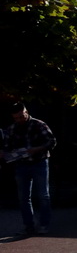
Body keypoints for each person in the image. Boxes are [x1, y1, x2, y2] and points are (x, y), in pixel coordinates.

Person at [3, 101, 57, 236]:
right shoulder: (12, 128)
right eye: (16, 118)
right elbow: (7, 146)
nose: (19, 120)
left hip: (39, 162)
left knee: (43, 195)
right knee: (23, 197)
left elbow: (52, 141)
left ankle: (44, 224)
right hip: (21, 164)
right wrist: (5, 153)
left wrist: (37, 149)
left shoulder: (38, 124)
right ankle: (28, 226)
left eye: (21, 116)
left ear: (26, 112)